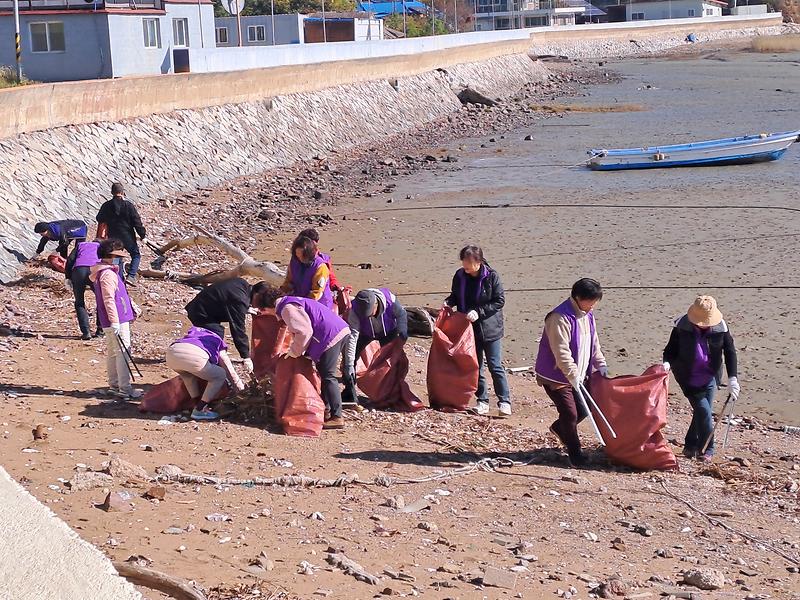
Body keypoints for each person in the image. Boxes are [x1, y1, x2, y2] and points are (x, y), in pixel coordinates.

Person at [535, 278, 608, 467]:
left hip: (580, 373)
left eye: (595, 302)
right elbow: (561, 352)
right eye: (590, 301)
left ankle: (560, 429)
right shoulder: (559, 318)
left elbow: (594, 342)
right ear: (577, 297)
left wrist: (600, 364)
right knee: (570, 413)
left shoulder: (587, 313)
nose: (593, 306)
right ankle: (576, 454)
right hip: (557, 375)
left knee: (585, 409)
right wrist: (572, 375)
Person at [663, 296, 739, 462]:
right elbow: (669, 350)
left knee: (701, 413)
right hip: (687, 376)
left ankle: (690, 446)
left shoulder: (721, 328)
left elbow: (730, 352)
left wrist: (733, 378)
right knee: (704, 411)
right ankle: (708, 449)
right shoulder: (681, 327)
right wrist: (666, 364)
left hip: (711, 375)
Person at [444, 245, 511, 417]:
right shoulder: (459, 276)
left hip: (490, 329)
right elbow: (455, 295)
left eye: (469, 264)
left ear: (479, 262)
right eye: (464, 263)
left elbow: (499, 301)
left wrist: (479, 312)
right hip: (469, 329)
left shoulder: (492, 277)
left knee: (495, 365)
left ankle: (504, 401)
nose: (465, 267)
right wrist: (448, 303)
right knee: (476, 366)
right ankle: (482, 401)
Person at [273, 294, 350, 429]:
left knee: (328, 375)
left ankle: (337, 416)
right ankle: (326, 410)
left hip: (330, 334)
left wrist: (294, 353)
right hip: (338, 329)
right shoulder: (293, 301)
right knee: (324, 372)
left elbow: (304, 331)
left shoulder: (286, 307)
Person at [185, 278, 271, 377]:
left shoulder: (242, 283)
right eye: (261, 302)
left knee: (216, 338)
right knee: (215, 340)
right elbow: (238, 330)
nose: (259, 306)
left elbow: (226, 298)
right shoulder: (239, 300)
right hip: (201, 313)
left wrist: (246, 308)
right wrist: (246, 356)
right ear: (256, 295)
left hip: (205, 307)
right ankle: (207, 370)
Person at [89, 239, 142, 400]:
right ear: (112, 256)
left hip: (112, 319)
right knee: (123, 352)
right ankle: (125, 388)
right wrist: (115, 322)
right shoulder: (107, 274)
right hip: (116, 319)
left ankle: (115, 385)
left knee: (113, 352)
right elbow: (109, 299)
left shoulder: (103, 272)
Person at [166, 325, 245, 421]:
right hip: (193, 356)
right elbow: (226, 366)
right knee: (219, 375)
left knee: (189, 377)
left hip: (171, 354)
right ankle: (200, 409)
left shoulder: (195, 332)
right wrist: (239, 388)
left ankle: (195, 404)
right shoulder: (216, 339)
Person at [342, 288, 409, 400]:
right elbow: (352, 337)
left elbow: (401, 315)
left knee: (393, 360)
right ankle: (349, 388)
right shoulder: (354, 310)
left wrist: (403, 331)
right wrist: (348, 365)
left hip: (388, 331)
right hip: (365, 333)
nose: (368, 317)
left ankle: (392, 390)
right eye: (365, 316)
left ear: (376, 304)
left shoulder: (390, 300)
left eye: (370, 313)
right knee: (350, 359)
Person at [95, 183, 147, 285]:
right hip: (127, 236)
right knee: (136, 255)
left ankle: (118, 278)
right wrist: (143, 235)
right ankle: (131, 276)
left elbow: (99, 218)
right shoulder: (128, 206)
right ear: (123, 192)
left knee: (116, 257)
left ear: (111, 192)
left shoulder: (106, 205)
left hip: (113, 236)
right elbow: (137, 222)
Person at [280, 236, 334, 309]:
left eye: (302, 255)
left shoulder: (320, 267)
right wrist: (281, 293)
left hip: (318, 305)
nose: (299, 258)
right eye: (297, 255)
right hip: (299, 298)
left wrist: (300, 305)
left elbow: (316, 293)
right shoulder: (294, 262)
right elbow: (289, 281)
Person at [65, 238, 102, 340]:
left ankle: (86, 332)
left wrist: (67, 277)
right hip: (95, 270)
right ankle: (100, 330)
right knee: (101, 301)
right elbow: (110, 259)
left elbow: (70, 260)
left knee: (79, 302)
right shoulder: (101, 246)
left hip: (78, 271)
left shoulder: (81, 245)